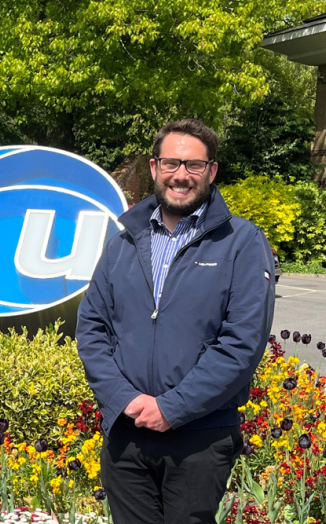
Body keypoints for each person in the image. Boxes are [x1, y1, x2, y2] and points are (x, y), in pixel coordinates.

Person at [75, 119, 276, 524]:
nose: (181, 175)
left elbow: (243, 342)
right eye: (171, 163)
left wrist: (172, 407)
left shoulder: (242, 242)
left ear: (211, 171)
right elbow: (92, 329)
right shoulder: (123, 243)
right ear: (154, 167)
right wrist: (124, 399)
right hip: (127, 431)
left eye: (194, 165)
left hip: (200, 436)